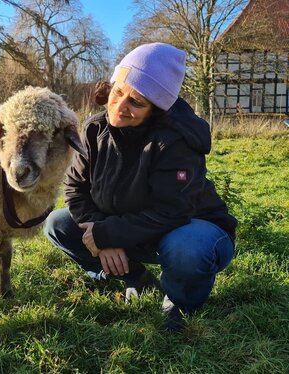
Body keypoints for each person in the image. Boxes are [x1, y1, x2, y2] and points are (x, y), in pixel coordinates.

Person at [44, 42, 238, 332]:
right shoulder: (95, 130)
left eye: (137, 102)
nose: (120, 106)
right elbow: (75, 188)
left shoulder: (176, 141)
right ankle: (135, 278)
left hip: (193, 229)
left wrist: (107, 233)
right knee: (58, 223)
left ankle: (180, 301)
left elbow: (172, 211)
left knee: (186, 248)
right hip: (133, 230)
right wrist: (101, 233)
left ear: (156, 110)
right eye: (118, 91)